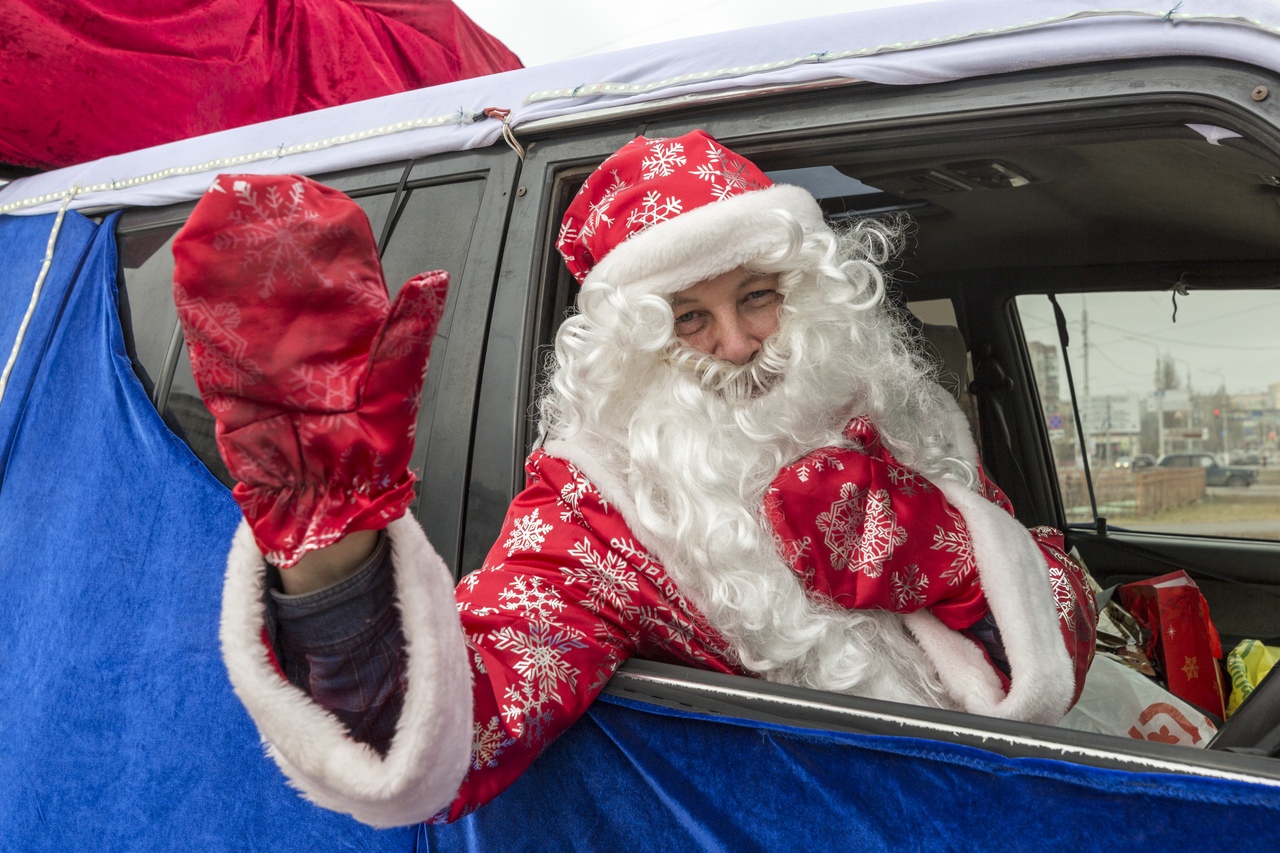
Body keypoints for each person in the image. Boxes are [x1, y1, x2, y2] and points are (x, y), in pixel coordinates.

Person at [172, 130, 1095, 828]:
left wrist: (954, 558)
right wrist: (330, 548)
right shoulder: (596, 516)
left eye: (757, 298)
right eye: (689, 318)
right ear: (634, 347)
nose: (737, 345)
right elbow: (433, 739)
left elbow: (1067, 628)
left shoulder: (887, 424)